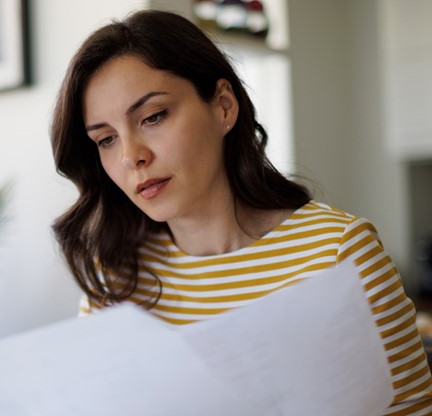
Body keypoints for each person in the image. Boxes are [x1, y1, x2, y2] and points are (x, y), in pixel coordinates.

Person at [49, 9, 432, 415]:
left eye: (153, 117)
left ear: (224, 107)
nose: (131, 157)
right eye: (106, 139)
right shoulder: (113, 275)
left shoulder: (338, 253)